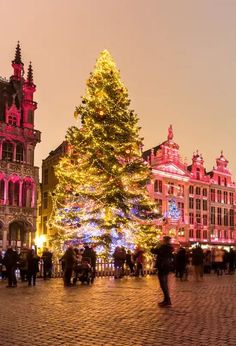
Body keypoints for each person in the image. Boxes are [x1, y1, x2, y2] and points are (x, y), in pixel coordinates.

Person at [151, 236, 173, 307]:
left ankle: (167, 300)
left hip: (162, 266)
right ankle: (166, 300)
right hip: (166, 266)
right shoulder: (169, 247)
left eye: (163, 240)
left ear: (165, 241)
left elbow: (153, 250)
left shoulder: (164, 247)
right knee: (165, 283)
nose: (162, 241)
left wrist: (156, 245)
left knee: (163, 284)